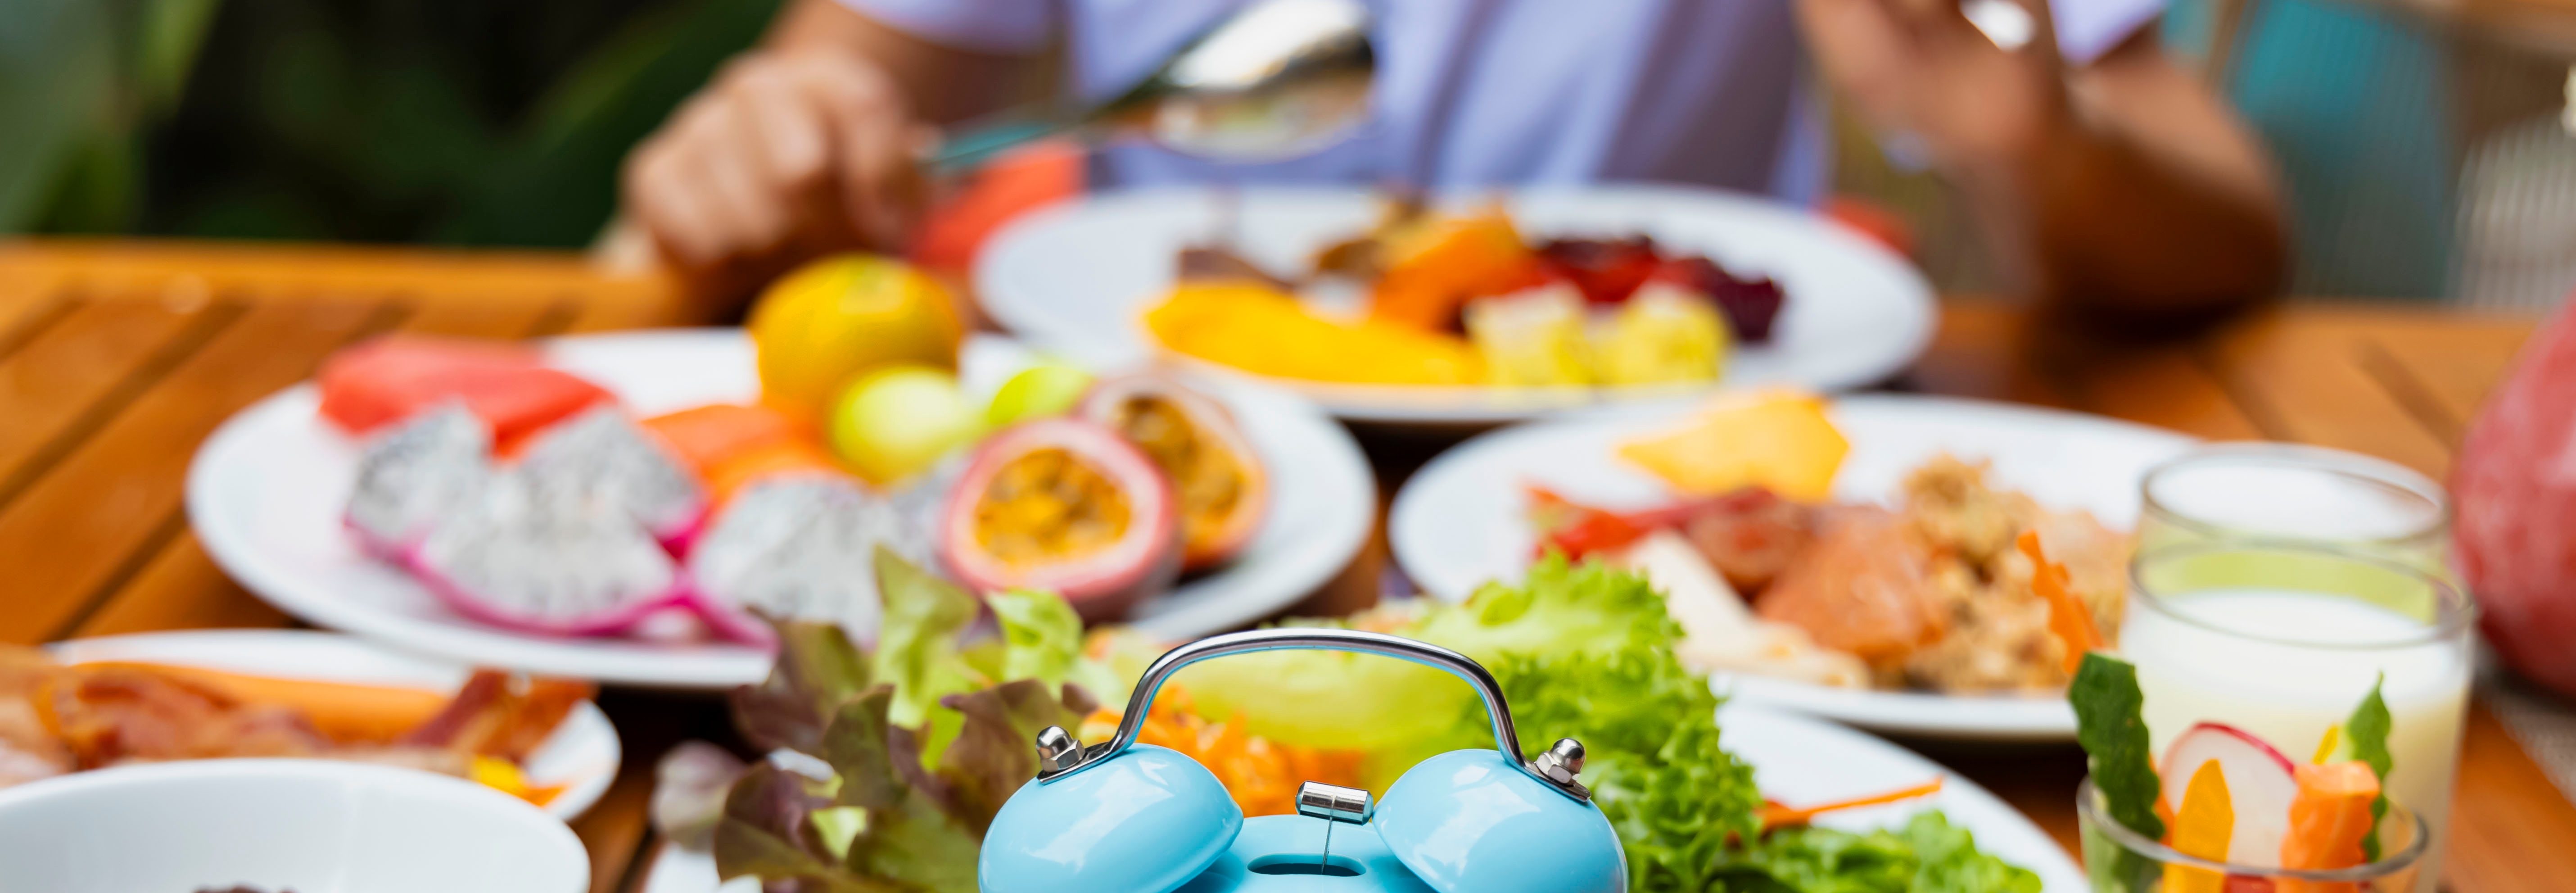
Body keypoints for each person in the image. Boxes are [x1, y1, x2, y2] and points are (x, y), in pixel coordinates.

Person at [616, 0, 2286, 321]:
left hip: (1676, 485)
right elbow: (842, 77)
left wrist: (2034, 139)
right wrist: (780, 141)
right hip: (1183, 488)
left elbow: (2223, 229)